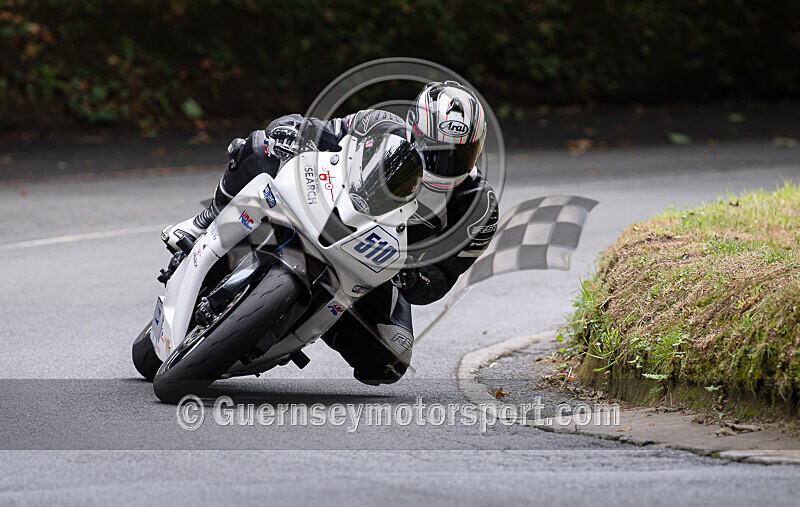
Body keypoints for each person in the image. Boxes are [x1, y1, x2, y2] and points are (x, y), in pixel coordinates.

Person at [162, 81, 499, 385]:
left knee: (389, 360)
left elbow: (440, 281)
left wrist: (416, 275)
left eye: (459, 156)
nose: (444, 167)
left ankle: (312, 321)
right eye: (435, 152)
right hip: (329, 208)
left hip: (380, 268)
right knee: (256, 146)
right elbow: (320, 131)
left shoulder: (479, 209)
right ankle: (205, 220)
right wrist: (289, 131)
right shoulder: (379, 125)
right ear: (414, 131)